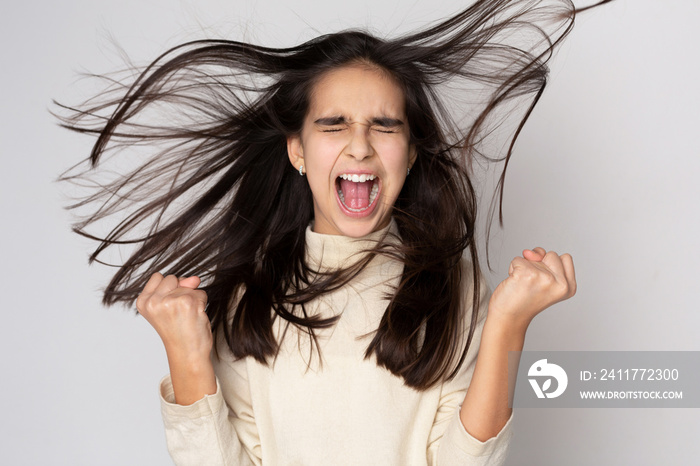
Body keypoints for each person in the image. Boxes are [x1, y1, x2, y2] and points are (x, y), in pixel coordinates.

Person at [57, 0, 609, 464]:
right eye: (334, 124)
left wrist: (508, 323)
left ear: (411, 153)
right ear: (297, 150)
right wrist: (185, 353)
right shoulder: (247, 299)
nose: (361, 145)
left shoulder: (457, 290)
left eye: (384, 125)